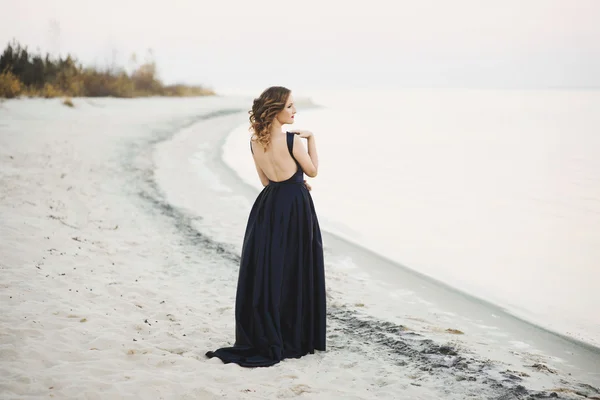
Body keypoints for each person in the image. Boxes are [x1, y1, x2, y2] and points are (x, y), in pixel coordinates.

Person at [205, 86, 326, 367]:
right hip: (295, 208)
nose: (295, 111)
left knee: (271, 271)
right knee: (294, 268)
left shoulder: (254, 142)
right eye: (290, 106)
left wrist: (290, 182)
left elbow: (266, 181)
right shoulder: (292, 141)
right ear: (276, 110)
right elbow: (313, 171)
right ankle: (293, 333)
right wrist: (312, 140)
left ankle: (269, 329)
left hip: (268, 207)